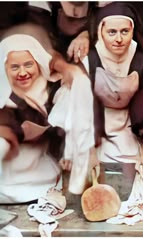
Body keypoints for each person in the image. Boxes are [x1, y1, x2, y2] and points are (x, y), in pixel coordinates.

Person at [0, 33, 95, 203]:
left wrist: (66, 68)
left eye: (28, 64)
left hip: (44, 177)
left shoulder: (50, 88)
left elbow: (54, 58)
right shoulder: (5, 103)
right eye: (14, 67)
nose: (22, 73)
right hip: (8, 181)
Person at [81, 2, 143, 191]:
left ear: (132, 31)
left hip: (131, 126)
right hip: (95, 130)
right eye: (112, 32)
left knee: (135, 168)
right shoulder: (88, 63)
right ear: (101, 32)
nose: (119, 39)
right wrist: (90, 152)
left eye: (124, 32)